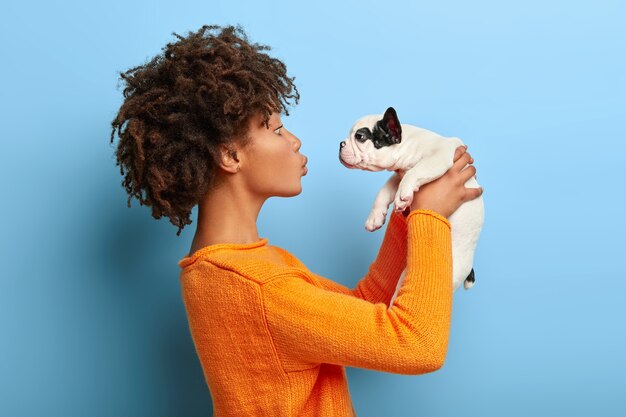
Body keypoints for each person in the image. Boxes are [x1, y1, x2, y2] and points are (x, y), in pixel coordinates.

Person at [110, 24, 483, 417]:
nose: (294, 141)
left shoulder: (227, 268)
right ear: (230, 157)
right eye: (274, 128)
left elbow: (365, 306)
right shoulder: (262, 286)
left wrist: (407, 209)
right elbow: (418, 344)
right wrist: (429, 218)